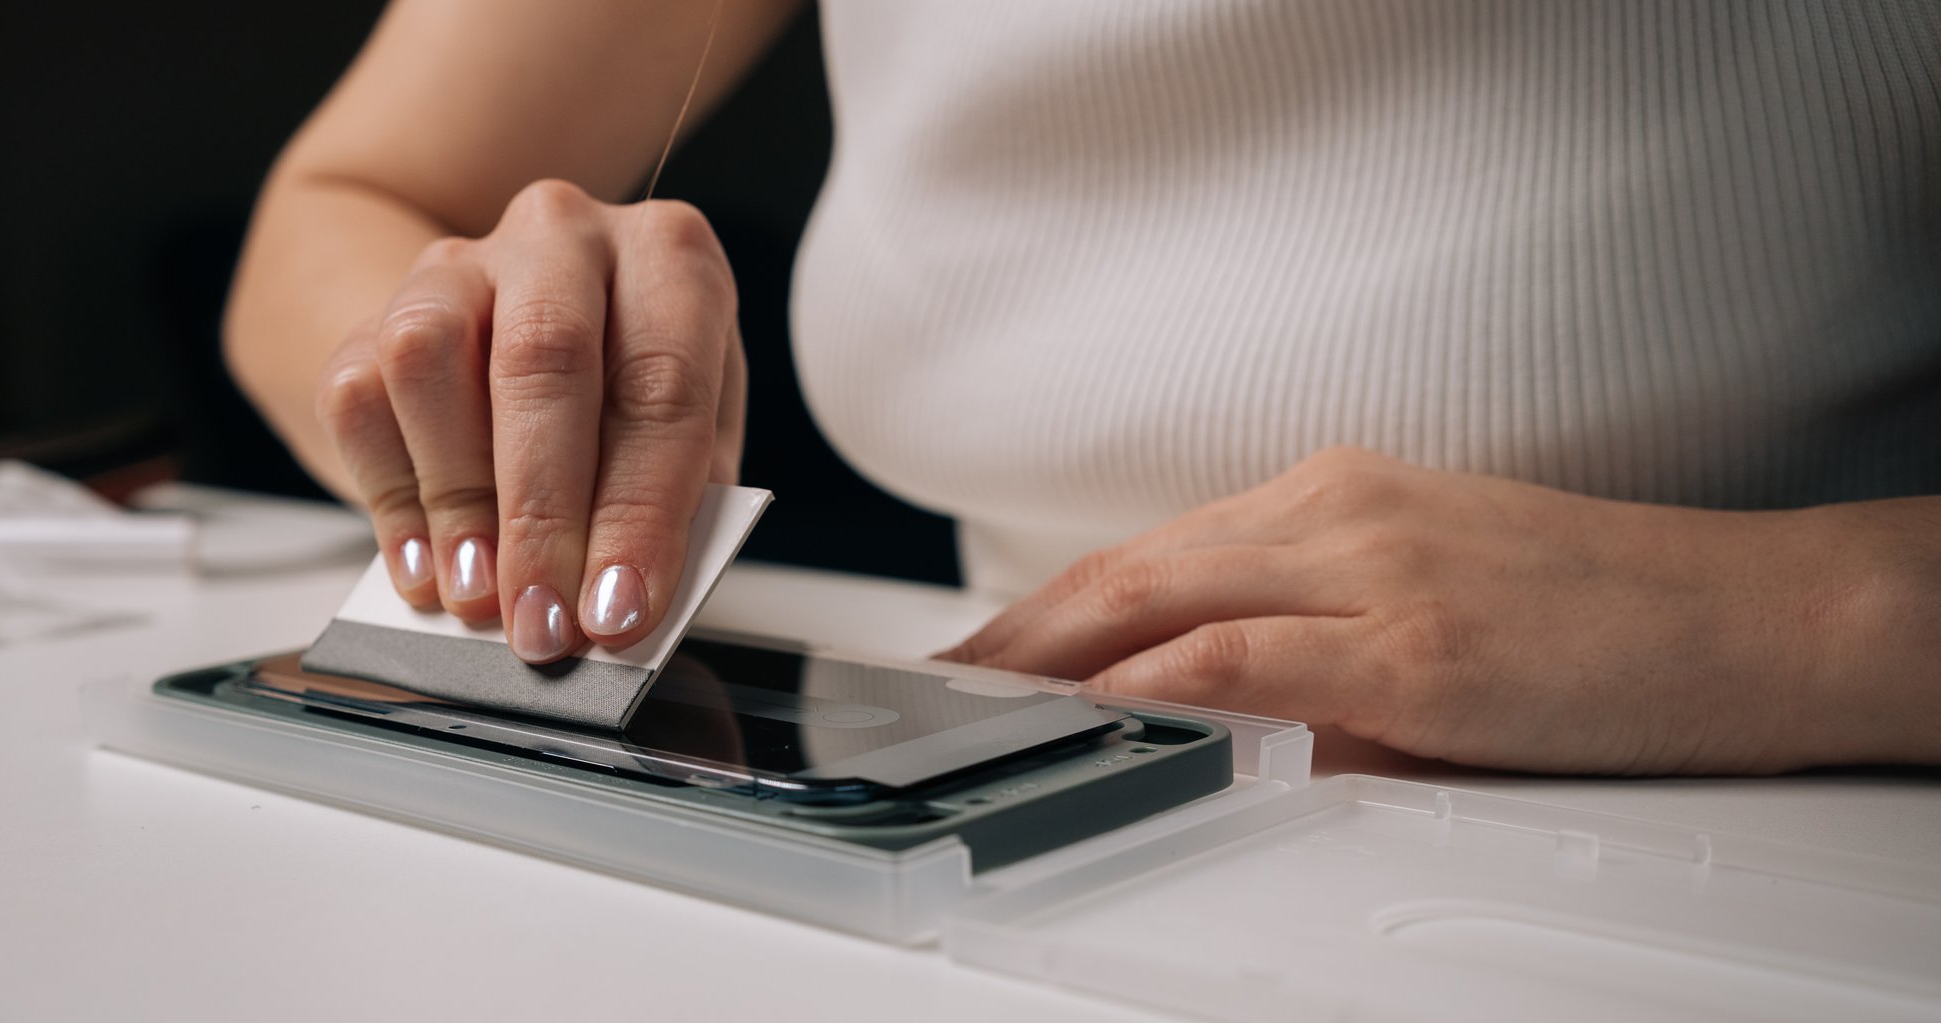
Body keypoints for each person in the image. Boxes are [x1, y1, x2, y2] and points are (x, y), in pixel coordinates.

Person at [224, 0, 1941, 774]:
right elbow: (348, 203)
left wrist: (1801, 613)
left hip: (1793, 812)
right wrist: (477, 369)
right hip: (1004, 765)